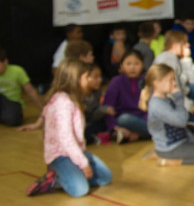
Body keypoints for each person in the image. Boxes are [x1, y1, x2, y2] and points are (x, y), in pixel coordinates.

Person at [24, 59, 114, 197]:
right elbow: (66, 139)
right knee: (80, 190)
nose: (89, 80)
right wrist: (83, 164)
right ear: (76, 79)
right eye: (86, 77)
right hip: (60, 155)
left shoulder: (74, 98)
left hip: (76, 152)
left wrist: (81, 158)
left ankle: (72, 174)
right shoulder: (63, 102)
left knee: (105, 177)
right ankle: (55, 179)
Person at [140, 63, 194, 166]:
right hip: (170, 147)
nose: (174, 83)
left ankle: (161, 154)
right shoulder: (157, 104)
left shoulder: (165, 98)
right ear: (157, 83)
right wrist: (178, 98)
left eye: (174, 80)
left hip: (180, 142)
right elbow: (181, 121)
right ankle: (170, 160)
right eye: (170, 80)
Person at [153, 30, 194, 132]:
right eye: (185, 43)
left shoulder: (174, 58)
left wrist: (186, 59)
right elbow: (173, 88)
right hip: (170, 101)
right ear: (176, 45)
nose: (188, 45)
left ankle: (188, 119)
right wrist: (189, 105)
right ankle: (186, 122)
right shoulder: (168, 59)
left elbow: (192, 80)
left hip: (181, 95)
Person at [99, 49, 149, 143]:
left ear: (142, 65)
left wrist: (139, 128)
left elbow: (151, 106)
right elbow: (108, 106)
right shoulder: (116, 81)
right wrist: (114, 127)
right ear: (121, 66)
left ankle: (139, 134)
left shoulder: (146, 80)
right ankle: (152, 133)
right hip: (124, 120)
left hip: (144, 119)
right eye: (128, 64)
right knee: (124, 118)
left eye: (136, 64)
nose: (132, 68)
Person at [0, 46, 45, 126]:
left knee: (13, 120)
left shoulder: (17, 71)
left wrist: (43, 109)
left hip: (12, 101)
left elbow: (30, 90)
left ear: (5, 62)